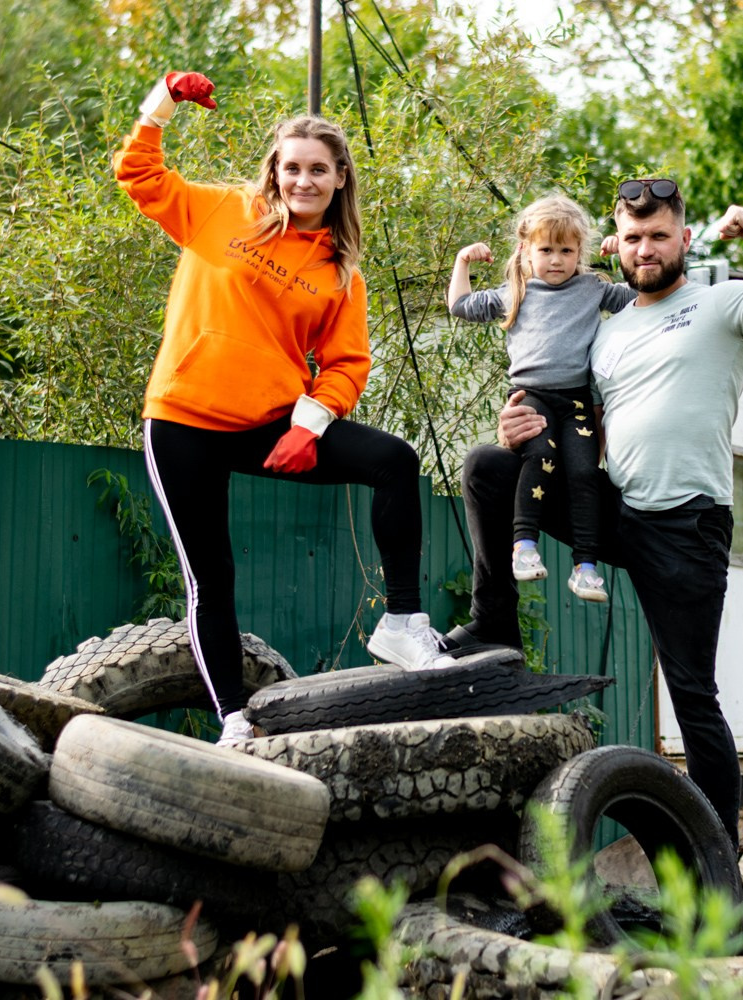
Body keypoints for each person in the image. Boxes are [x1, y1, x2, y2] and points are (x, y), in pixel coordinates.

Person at [435, 178, 743, 848]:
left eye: (658, 236)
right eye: (633, 238)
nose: (645, 249)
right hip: (615, 510)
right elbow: (581, 427)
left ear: (683, 239)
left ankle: (714, 872)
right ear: (615, 248)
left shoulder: (722, 303)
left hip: (686, 525)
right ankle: (494, 625)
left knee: (692, 695)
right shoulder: (607, 332)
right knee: (487, 465)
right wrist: (523, 427)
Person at [114, 71, 445, 744]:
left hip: (270, 424)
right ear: (275, 171)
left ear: (341, 178)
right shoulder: (220, 211)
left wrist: (308, 424)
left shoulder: (339, 271)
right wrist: (164, 100)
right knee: (212, 576)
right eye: (291, 167)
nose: (302, 181)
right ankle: (234, 718)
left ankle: (403, 623)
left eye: (317, 170)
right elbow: (138, 174)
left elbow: (348, 365)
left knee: (393, 460)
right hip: (182, 420)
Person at [446, 196, 637, 603]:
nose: (556, 260)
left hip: (576, 400)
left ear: (579, 253)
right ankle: (524, 545)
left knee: (584, 472)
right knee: (541, 459)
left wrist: (623, 255)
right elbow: (461, 306)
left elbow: (638, 300)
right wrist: (463, 261)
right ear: (526, 250)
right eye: (546, 250)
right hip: (531, 396)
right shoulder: (515, 293)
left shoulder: (592, 288)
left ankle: (586, 567)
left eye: (566, 251)